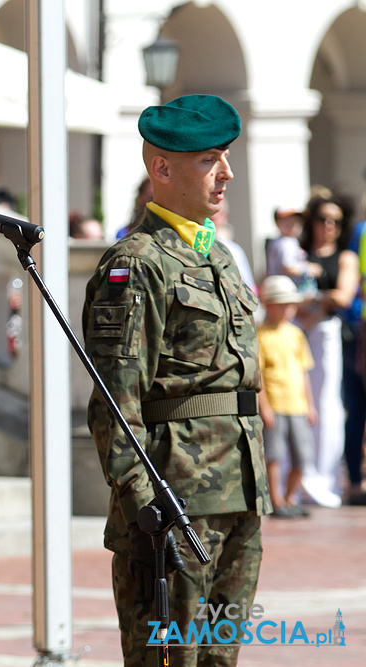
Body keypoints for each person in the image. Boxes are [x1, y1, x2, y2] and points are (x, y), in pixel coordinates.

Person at [82, 94, 269, 667]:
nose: (227, 173)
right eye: (210, 159)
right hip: (176, 499)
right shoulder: (137, 264)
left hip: (236, 490)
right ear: (161, 168)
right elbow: (117, 400)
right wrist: (145, 500)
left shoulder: (219, 258)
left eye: (225, 157)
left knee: (219, 659)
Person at [296, 194, 358, 508]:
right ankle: (299, 478)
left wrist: (314, 302)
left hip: (327, 336)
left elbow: (344, 296)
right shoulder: (300, 253)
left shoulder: (345, 257)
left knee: (327, 405)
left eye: (335, 220)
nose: (328, 226)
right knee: (298, 405)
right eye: (322, 219)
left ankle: (325, 478)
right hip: (298, 334)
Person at [256, 275, 317, 519]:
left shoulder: (296, 334)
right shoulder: (260, 334)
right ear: (267, 304)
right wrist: (265, 406)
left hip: (297, 405)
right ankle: (276, 499)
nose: (287, 309)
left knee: (302, 456)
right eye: (281, 304)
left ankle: (292, 497)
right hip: (276, 404)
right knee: (274, 455)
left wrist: (310, 405)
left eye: (291, 304)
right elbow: (258, 375)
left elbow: (304, 373)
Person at [265, 205, 319, 293]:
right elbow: (288, 267)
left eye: (296, 221)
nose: (293, 224)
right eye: (287, 221)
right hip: (284, 290)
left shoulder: (285, 241)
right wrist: (308, 269)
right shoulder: (286, 242)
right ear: (277, 223)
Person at [210, 200, 256, 291]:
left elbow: (247, 286)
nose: (210, 219)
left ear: (225, 216)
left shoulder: (232, 250)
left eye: (215, 215)